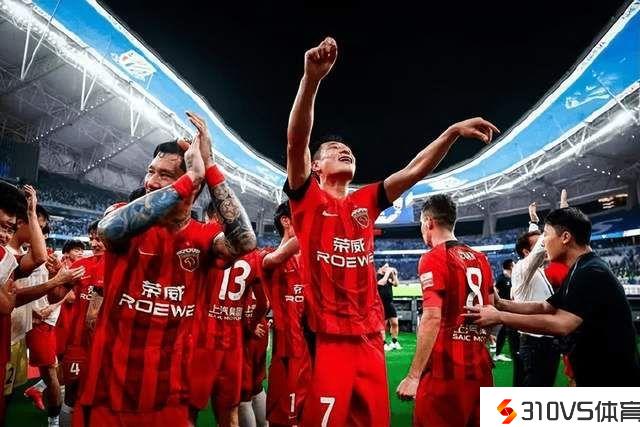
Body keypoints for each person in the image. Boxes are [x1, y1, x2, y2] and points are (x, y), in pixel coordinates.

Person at [284, 36, 498, 425]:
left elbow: (415, 169)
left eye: (348, 150)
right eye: (332, 150)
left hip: (370, 338)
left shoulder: (366, 200)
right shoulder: (308, 200)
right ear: (315, 167)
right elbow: (297, 141)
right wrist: (311, 80)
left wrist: (451, 132)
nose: (344, 151)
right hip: (327, 340)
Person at [77, 111, 256, 426]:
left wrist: (209, 167)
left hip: (170, 395)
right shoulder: (124, 216)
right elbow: (108, 231)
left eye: (164, 175)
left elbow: (244, 241)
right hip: (109, 390)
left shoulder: (203, 237)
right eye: (151, 171)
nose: (150, 182)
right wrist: (189, 178)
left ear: (194, 188)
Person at [465, 207, 640, 386]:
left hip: (613, 379)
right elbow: (546, 306)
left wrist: (500, 317)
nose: (544, 243)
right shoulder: (581, 268)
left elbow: (561, 323)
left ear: (565, 237)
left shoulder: (591, 271)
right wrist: (501, 304)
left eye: (546, 236)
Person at [396, 195, 494, 427]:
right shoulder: (481, 259)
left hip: (446, 374)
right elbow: (491, 309)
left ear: (428, 222)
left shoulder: (434, 257)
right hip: (480, 371)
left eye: (422, 224)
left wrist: (413, 376)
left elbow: (431, 317)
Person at [190, 206, 264, 427]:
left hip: (201, 341)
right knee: (230, 414)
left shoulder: (201, 245)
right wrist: (251, 324)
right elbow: (264, 303)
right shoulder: (251, 254)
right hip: (233, 344)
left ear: (212, 217)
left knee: (189, 411)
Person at [261, 202, 309, 427]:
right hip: (285, 352)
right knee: (280, 418)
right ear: (286, 220)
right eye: (302, 216)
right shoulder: (269, 256)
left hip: (311, 351)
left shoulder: (313, 258)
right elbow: (273, 260)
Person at [493, 259, 515, 362]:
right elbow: (495, 291)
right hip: (504, 308)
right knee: (505, 330)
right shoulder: (501, 278)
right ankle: (497, 354)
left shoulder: (512, 278)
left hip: (511, 307)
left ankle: (500, 352)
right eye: (514, 264)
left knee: (507, 330)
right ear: (511, 266)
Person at [377, 263, 401, 351]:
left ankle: (394, 342)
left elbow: (396, 284)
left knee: (395, 323)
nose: (388, 268)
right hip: (381, 304)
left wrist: (394, 275)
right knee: (382, 325)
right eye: (386, 267)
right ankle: (383, 343)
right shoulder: (377, 276)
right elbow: (381, 283)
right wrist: (388, 273)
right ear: (381, 268)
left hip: (389, 303)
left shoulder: (388, 277)